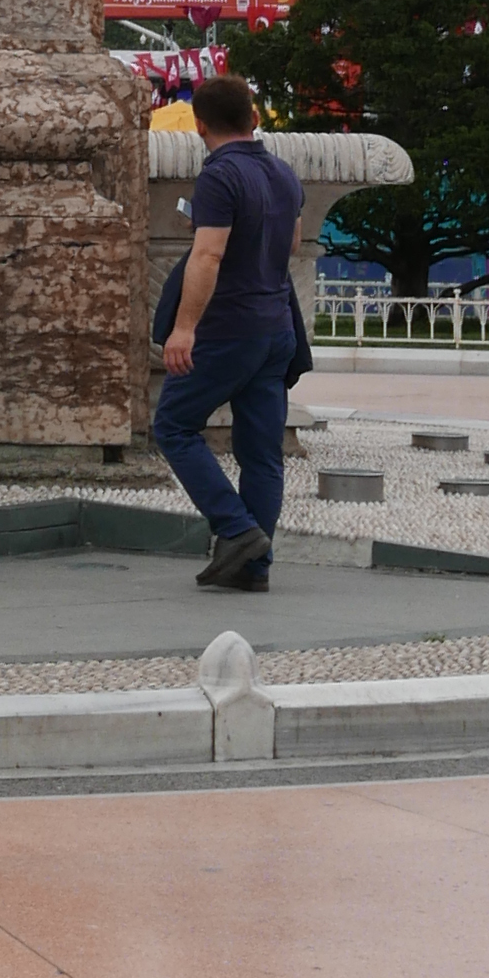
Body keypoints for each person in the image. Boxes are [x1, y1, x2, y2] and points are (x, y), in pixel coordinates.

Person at [154, 72, 302, 592]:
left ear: (199, 127)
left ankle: (236, 530)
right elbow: (292, 243)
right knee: (261, 453)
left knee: (173, 424)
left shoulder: (219, 177)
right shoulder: (284, 173)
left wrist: (185, 328)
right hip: (276, 328)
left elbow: (209, 252)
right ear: (254, 118)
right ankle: (254, 569)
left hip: (227, 330)